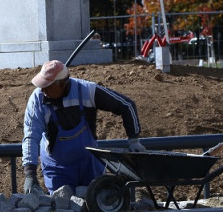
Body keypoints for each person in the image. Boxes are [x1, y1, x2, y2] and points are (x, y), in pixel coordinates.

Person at [22, 60, 143, 194]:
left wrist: (134, 139)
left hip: (89, 165)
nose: (43, 89)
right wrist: (30, 174)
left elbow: (127, 105)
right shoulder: (37, 99)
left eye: (48, 86)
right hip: (58, 168)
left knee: (94, 205)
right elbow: (31, 136)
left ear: (62, 84)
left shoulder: (86, 91)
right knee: (63, 207)